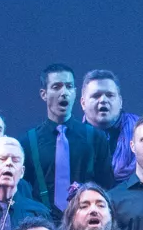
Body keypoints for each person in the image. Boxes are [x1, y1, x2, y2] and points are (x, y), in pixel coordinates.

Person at [22, 64, 113, 211]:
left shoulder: (96, 138)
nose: (64, 92)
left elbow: (106, 187)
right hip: (42, 223)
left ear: (75, 93)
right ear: (43, 94)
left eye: (69, 86)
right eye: (56, 87)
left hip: (83, 224)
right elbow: (24, 191)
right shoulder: (27, 142)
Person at [79, 69, 138, 180]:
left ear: (120, 102)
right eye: (96, 95)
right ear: (83, 103)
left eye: (110, 95)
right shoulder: (70, 138)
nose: (103, 100)